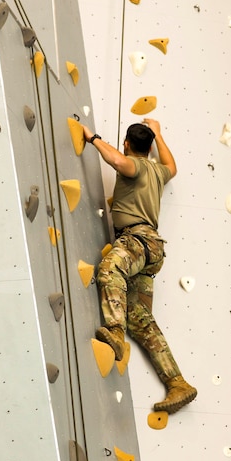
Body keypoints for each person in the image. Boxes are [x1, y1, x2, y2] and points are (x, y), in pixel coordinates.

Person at [82, 118, 197, 414]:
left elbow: (119, 162)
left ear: (128, 144)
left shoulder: (135, 165)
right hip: (152, 252)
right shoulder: (159, 171)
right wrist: (159, 133)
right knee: (140, 319)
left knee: (110, 268)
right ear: (149, 147)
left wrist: (92, 138)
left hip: (137, 241)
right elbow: (173, 165)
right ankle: (177, 383)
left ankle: (115, 333)